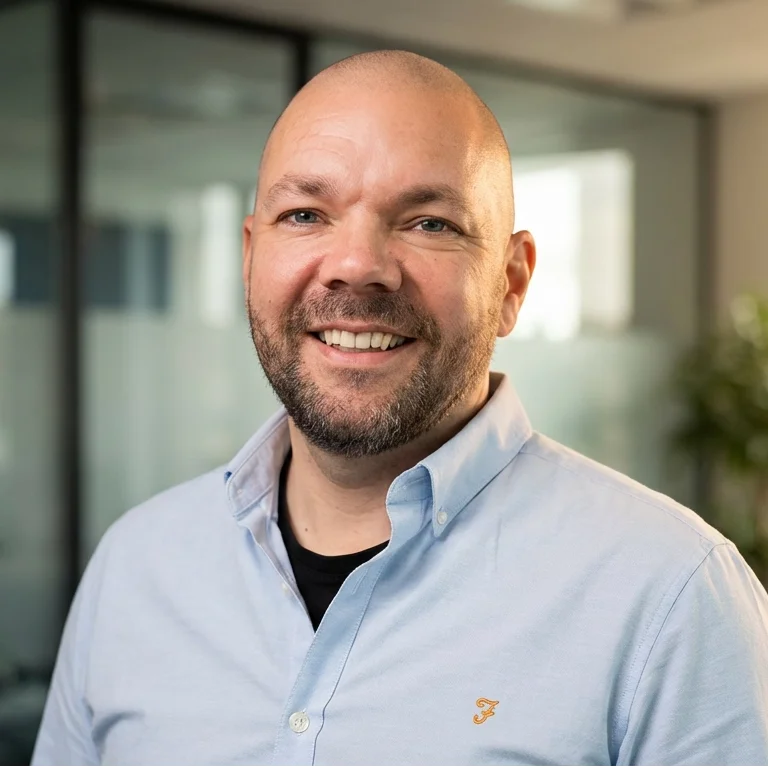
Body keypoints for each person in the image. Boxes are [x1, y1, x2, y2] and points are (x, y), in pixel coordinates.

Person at [33, 50, 768, 767]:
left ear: (512, 283)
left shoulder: (670, 594)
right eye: (305, 214)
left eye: (429, 223)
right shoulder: (136, 568)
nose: (357, 265)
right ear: (249, 257)